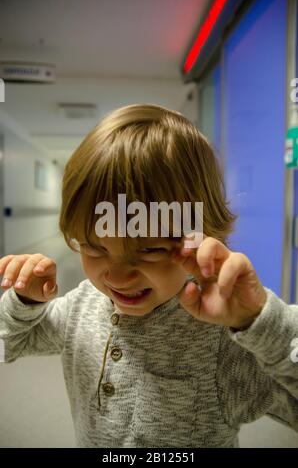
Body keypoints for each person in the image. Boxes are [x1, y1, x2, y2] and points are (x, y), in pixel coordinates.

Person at [0, 104, 297, 448]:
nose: (118, 277)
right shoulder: (81, 306)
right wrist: (23, 301)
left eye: (150, 250)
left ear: (203, 234)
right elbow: (8, 343)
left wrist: (261, 323)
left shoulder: (222, 342)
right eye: (94, 248)